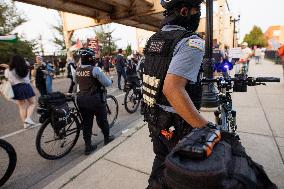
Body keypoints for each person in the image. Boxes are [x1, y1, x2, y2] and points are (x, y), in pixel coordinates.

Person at [141, 0, 215, 188]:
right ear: (184, 11)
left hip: (154, 118)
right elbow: (172, 88)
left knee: (161, 162)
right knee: (186, 177)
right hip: (177, 124)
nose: (199, 15)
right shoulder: (191, 41)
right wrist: (207, 129)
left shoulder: (153, 39)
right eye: (197, 10)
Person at [76, 48, 115, 155]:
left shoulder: (77, 70)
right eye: (92, 58)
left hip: (81, 99)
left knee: (87, 123)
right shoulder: (95, 69)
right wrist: (110, 80)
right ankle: (107, 138)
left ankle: (88, 146)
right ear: (89, 59)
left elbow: (77, 83)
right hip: (94, 99)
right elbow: (106, 83)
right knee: (102, 119)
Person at [2, 55, 38, 129]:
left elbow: (8, 78)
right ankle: (28, 119)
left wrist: (8, 67)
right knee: (32, 103)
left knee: (22, 107)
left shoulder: (8, 70)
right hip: (25, 86)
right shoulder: (25, 68)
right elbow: (27, 79)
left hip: (15, 88)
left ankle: (25, 124)